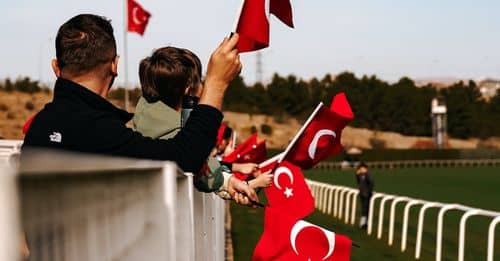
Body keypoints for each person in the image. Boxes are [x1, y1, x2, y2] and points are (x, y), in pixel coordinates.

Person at [22, 14, 256, 205]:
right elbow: (185, 157)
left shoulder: (39, 127)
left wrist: (222, 181)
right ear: (115, 65)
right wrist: (216, 84)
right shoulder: (98, 129)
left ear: (55, 66)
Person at [132, 46, 270, 197]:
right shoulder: (171, 129)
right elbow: (195, 160)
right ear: (188, 90)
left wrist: (228, 181)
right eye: (200, 82)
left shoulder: (148, 114)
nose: (203, 87)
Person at [355, 162, 374, 229]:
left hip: (367, 194)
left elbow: (371, 183)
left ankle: (364, 223)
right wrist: (357, 175)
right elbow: (358, 182)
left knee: (366, 209)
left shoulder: (368, 175)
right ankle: (363, 223)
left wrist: (369, 192)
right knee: (364, 209)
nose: (361, 170)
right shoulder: (361, 175)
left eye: (362, 168)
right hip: (362, 194)